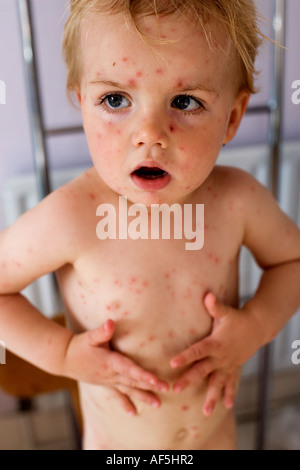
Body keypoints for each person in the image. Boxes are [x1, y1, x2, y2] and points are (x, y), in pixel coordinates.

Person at [0, 0, 299, 450]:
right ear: (82, 103)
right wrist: (62, 355)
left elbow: (293, 261)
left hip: (216, 437)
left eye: (185, 101)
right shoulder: (72, 217)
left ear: (232, 118)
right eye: (115, 99)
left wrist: (256, 326)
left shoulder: (238, 201)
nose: (150, 133)